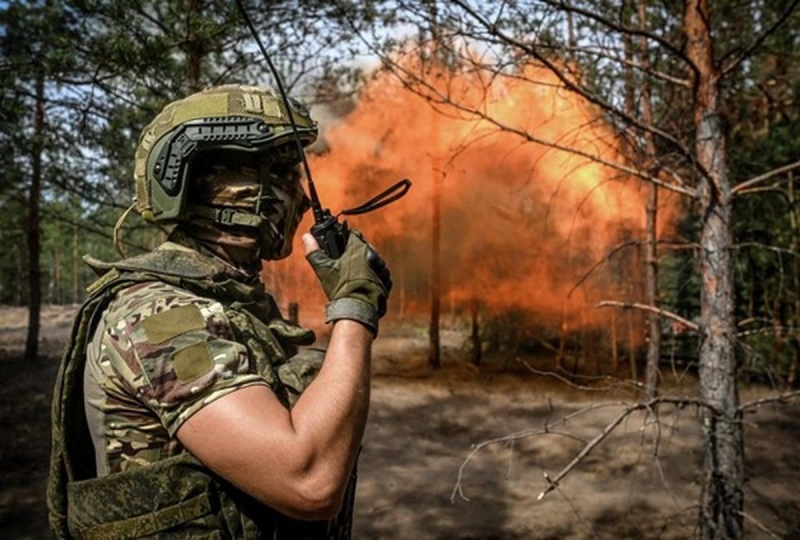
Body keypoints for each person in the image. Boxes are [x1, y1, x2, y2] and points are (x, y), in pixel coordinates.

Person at [47, 84, 391, 539]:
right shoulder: (161, 317)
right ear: (224, 190)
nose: (304, 198)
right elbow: (308, 481)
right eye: (287, 176)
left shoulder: (231, 304)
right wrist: (354, 307)